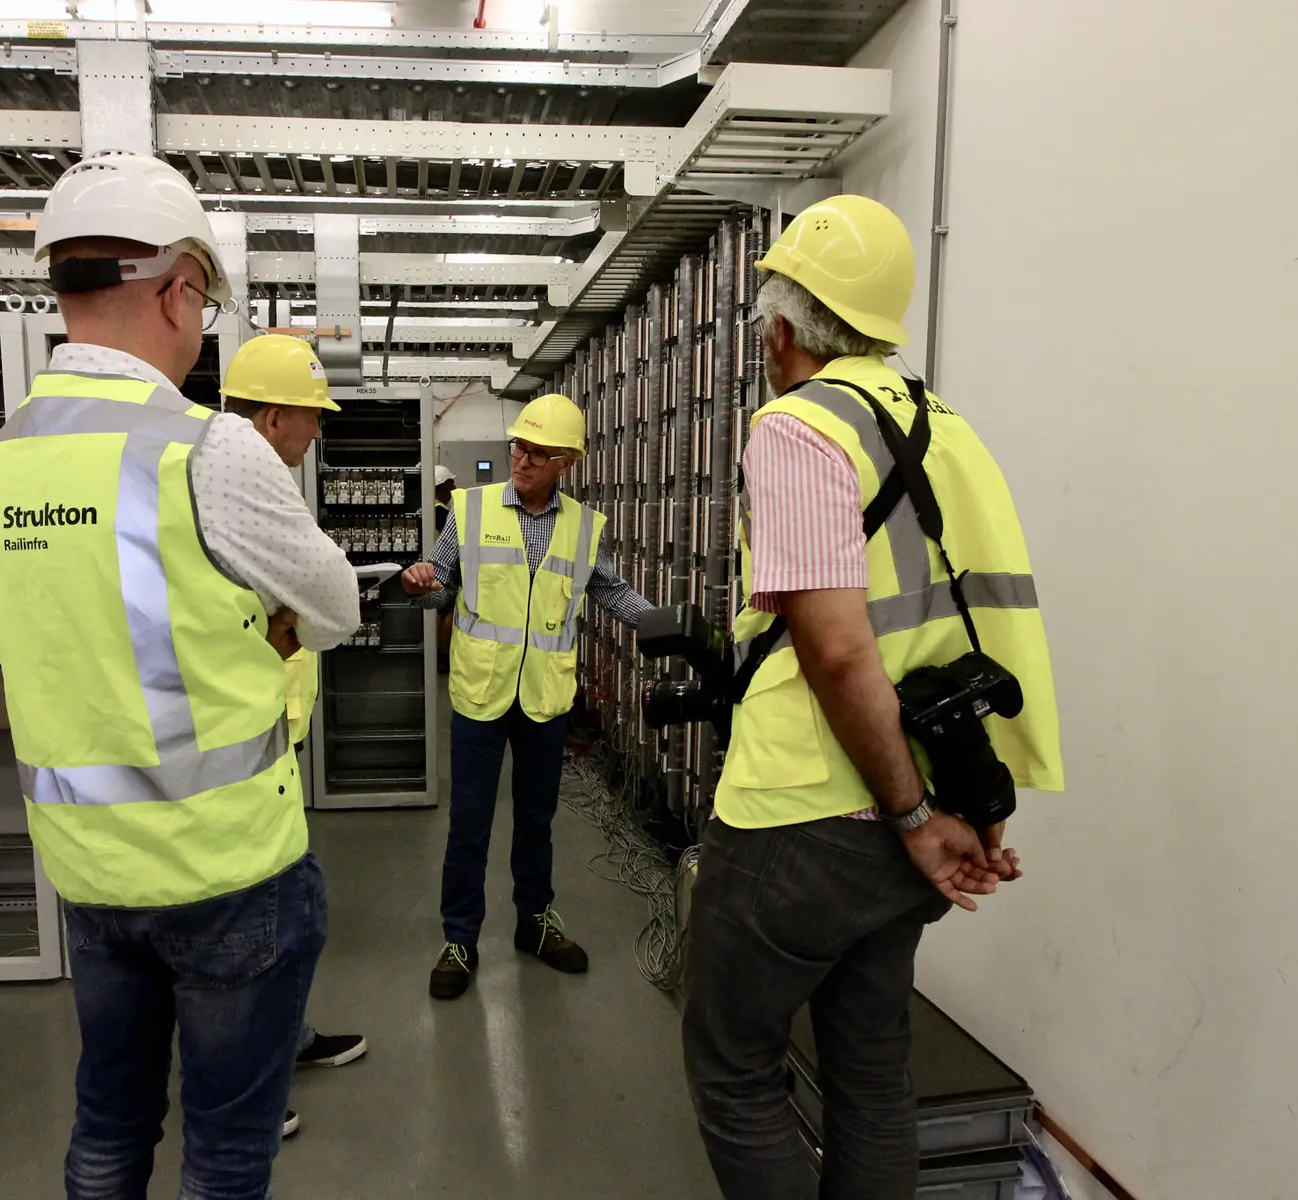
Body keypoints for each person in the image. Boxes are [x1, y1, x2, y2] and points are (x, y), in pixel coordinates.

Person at [0, 152, 359, 1199]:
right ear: (179, 287)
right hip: (226, 871)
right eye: (206, 301)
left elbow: (38, 648)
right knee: (226, 1149)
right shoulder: (208, 453)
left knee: (108, 1125)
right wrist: (261, 621)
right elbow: (338, 608)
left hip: (90, 874)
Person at [679, 195, 1065, 1200]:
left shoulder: (799, 429)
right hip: (919, 806)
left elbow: (842, 652)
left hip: (805, 815)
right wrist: (944, 815)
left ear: (779, 329)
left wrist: (909, 815)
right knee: (869, 1068)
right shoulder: (947, 430)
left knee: (733, 1061)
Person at [401, 395, 655, 1000]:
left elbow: (613, 592)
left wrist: (671, 628)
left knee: (537, 821)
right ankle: (460, 938)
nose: (522, 458)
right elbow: (441, 590)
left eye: (538, 452)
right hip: (480, 695)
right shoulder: (469, 510)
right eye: (518, 446)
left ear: (565, 462)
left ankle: (534, 922)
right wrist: (422, 584)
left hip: (543, 698)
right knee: (469, 824)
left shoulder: (582, 527)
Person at [220, 332, 370, 1141]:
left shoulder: (253, 477)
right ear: (273, 418)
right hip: (233, 742)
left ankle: (285, 1042)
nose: (317, 433)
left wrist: (290, 624)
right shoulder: (235, 482)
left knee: (278, 913)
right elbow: (335, 603)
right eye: (311, 418)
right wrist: (290, 625)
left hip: (270, 730)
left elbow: (305, 609)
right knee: (256, 921)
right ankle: (252, 1086)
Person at [430, 464, 457, 670]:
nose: (454, 488)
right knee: (448, 612)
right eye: (451, 484)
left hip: (433, 567)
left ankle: (438, 652)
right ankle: (442, 655)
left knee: (440, 612)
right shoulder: (440, 511)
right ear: (442, 487)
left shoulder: (431, 508)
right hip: (442, 568)